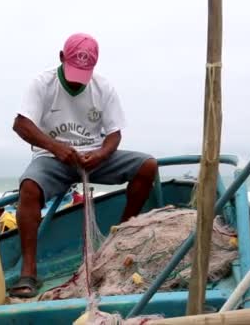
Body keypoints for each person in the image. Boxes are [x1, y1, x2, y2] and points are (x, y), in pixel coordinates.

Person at [10, 33, 158, 297]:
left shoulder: (104, 88)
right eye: (72, 71)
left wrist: (101, 154)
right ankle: (28, 271)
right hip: (52, 158)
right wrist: (57, 148)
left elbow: (114, 134)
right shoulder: (42, 84)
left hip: (93, 158)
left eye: (83, 73)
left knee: (147, 166)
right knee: (30, 187)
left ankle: (120, 238)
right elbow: (21, 124)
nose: (77, 81)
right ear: (60, 58)